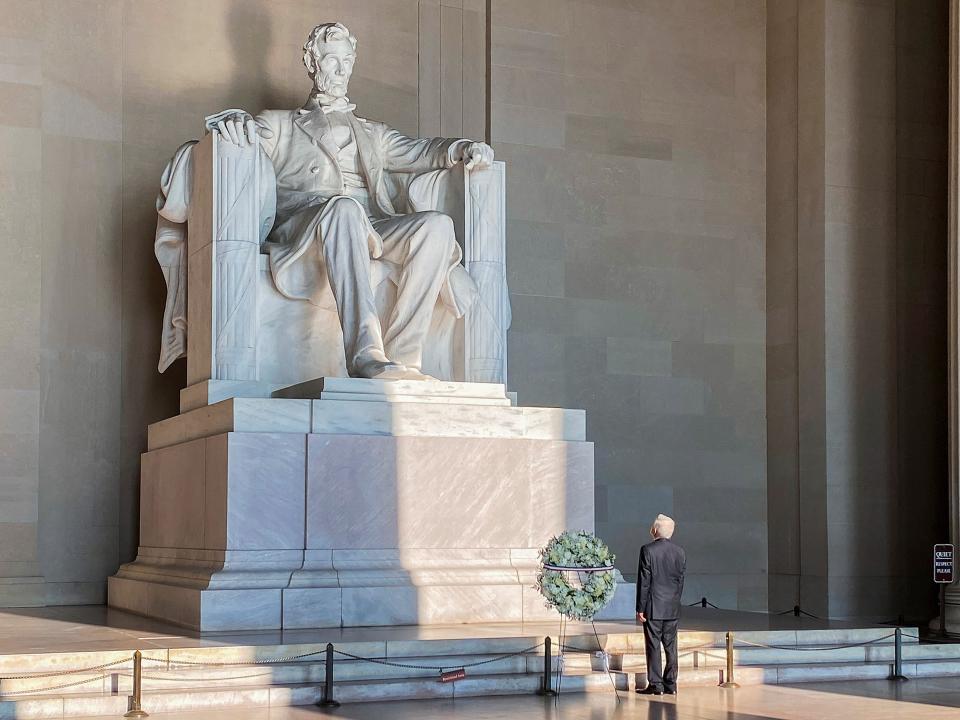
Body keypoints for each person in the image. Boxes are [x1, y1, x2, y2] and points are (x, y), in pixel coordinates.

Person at [211, 22, 494, 381]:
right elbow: (244, 134)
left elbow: (422, 151)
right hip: (307, 224)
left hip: (370, 226)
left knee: (437, 226)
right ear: (313, 64)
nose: (342, 70)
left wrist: (462, 149)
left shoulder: (373, 133)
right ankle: (365, 354)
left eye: (348, 60)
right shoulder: (282, 124)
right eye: (332, 61)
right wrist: (233, 121)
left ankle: (405, 357)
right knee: (343, 209)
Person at [635, 513, 686, 696]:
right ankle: (671, 684)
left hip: (653, 607)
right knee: (671, 646)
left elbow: (644, 581)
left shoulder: (647, 550)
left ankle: (656, 685)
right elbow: (680, 582)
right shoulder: (680, 552)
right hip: (672, 607)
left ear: (655, 530)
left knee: (654, 646)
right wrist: (675, 601)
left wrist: (640, 608)